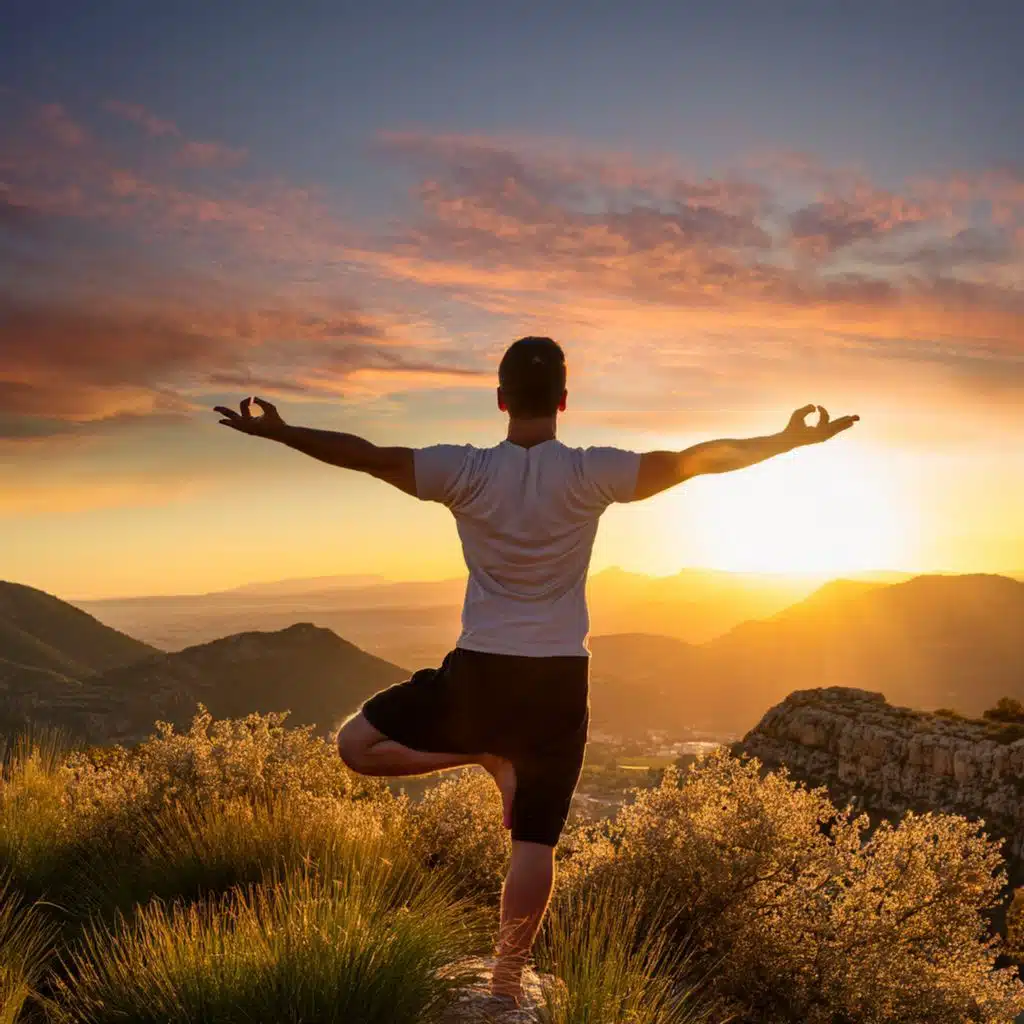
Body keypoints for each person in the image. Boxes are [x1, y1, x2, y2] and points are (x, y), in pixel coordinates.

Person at [213, 336, 858, 1003]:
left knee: (356, 746)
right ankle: (504, 982)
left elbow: (367, 457)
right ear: (564, 402)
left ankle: (482, 756)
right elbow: (693, 462)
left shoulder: (462, 470)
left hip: (479, 671)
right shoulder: (591, 472)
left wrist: (283, 434)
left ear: (500, 400)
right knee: (535, 843)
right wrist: (785, 442)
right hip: (557, 677)